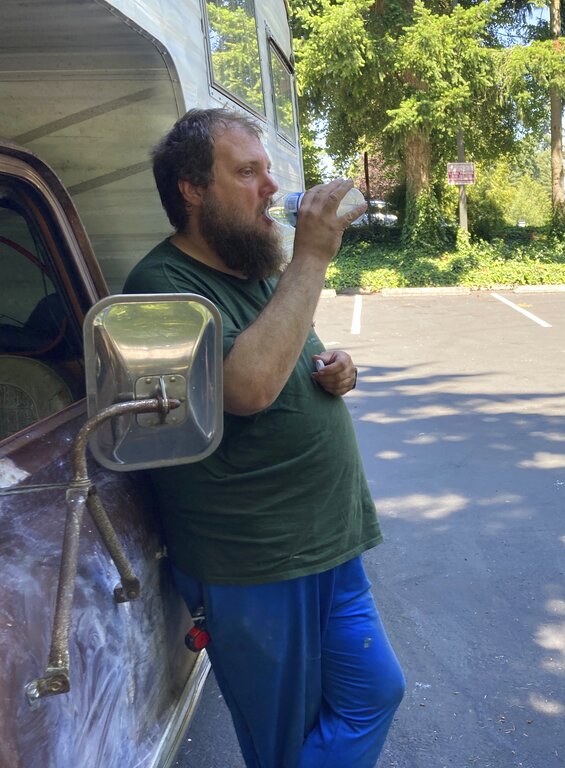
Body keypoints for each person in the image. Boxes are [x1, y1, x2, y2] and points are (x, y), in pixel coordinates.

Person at [123, 108, 405, 767]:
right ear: (192, 190)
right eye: (247, 172)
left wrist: (335, 370)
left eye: (267, 171)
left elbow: (277, 362)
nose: (270, 189)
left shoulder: (249, 272)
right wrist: (310, 258)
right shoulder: (162, 286)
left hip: (328, 544)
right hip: (254, 562)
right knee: (281, 740)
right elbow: (246, 389)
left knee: (375, 692)